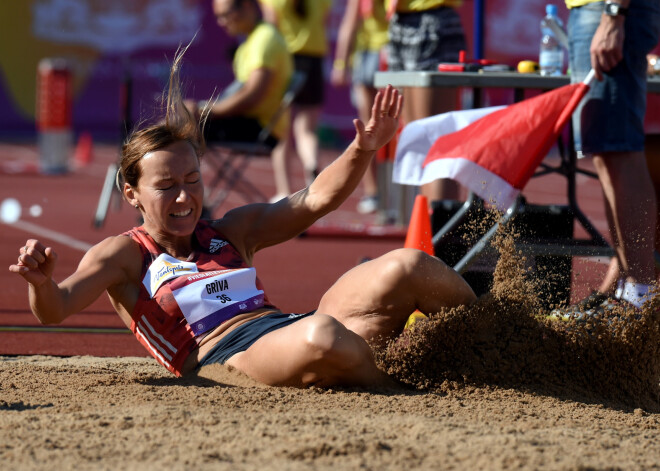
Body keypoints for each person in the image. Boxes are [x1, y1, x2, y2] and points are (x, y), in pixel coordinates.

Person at [9, 47, 476, 388]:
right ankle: (413, 391)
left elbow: (314, 201)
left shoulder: (230, 230)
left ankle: (503, 348)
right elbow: (56, 309)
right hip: (227, 358)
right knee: (325, 337)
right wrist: (41, 282)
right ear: (131, 194)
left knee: (408, 265)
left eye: (192, 180)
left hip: (287, 328)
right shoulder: (125, 255)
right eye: (166, 186)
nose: (184, 197)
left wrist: (363, 148)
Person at [565, 0, 660, 311]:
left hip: (609, 10)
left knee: (620, 151)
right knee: (606, 154)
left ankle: (641, 294)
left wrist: (614, 13)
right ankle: (627, 287)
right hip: (595, 10)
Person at [185, 0, 293, 204]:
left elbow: (251, 96)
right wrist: (200, 109)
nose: (221, 22)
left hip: (261, 130)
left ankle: (186, 198)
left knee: (183, 125)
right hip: (250, 123)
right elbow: (240, 93)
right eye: (217, 16)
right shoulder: (250, 42)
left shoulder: (265, 39)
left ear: (247, 6)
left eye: (225, 15)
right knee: (182, 118)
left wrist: (204, 111)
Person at [386, 0, 467, 206]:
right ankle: (432, 225)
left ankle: (441, 227)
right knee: (415, 138)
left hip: (432, 19)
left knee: (434, 137)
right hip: (400, 20)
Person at [259, 0, 332, 201]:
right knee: (307, 129)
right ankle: (311, 165)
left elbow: (270, 32)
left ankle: (284, 191)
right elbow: (323, 23)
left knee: (281, 131)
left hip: (285, 61)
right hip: (314, 62)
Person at [331, 0, 389, 214]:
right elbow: (350, 22)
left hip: (389, 53)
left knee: (381, 129)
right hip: (373, 55)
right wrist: (341, 63)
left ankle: (383, 193)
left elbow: (349, 23)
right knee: (371, 129)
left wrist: (341, 64)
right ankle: (375, 192)